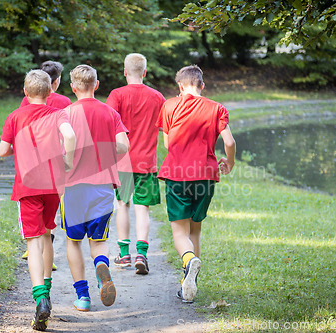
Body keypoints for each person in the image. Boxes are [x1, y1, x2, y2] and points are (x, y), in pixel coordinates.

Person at [0, 70, 76, 330]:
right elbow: (70, 135)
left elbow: (1, 151)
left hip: (28, 186)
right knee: (47, 233)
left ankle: (40, 298)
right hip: (53, 184)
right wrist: (68, 160)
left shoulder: (15, 116)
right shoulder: (57, 114)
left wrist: (12, 148)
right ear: (51, 92)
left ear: (24, 92)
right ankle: (48, 289)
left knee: (33, 241)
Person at [155, 65, 235, 303]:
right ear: (202, 85)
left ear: (180, 86)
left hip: (177, 173)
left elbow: (169, 145)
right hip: (205, 175)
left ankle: (189, 261)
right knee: (195, 228)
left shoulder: (169, 106)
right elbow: (229, 142)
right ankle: (190, 286)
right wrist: (229, 163)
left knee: (180, 232)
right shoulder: (217, 108)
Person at [61, 64, 129, 312]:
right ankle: (102, 264)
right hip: (102, 185)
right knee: (98, 241)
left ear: (73, 88)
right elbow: (124, 147)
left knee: (73, 241)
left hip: (74, 187)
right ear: (97, 85)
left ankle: (83, 297)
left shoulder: (66, 113)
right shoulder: (110, 113)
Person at [106, 53, 165, 275]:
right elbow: (163, 127)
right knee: (143, 209)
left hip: (121, 163)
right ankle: (142, 253)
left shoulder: (116, 95)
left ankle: (124, 254)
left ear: (124, 72)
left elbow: (108, 123)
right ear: (145, 72)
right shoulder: (157, 97)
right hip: (147, 163)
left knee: (122, 205)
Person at [20, 61, 72, 271]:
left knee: (33, 206)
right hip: (55, 163)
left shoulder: (27, 100)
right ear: (56, 81)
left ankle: (33, 247)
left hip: (31, 162)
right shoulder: (65, 101)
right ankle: (46, 250)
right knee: (51, 210)